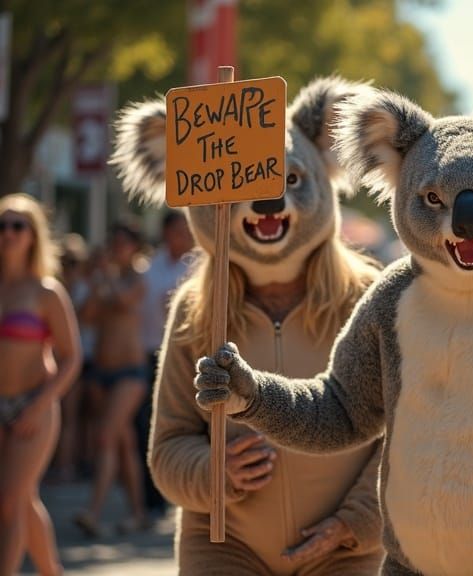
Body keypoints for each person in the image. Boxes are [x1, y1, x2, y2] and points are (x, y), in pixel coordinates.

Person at [114, 77, 388, 574]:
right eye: (245, 186)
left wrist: (359, 522)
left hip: (347, 553)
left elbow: (407, 435)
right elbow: (169, 446)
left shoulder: (370, 299)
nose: (267, 200)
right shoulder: (196, 309)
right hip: (223, 545)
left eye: (289, 179)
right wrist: (212, 472)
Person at [0, 194, 82, 576]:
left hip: (36, 405)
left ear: (33, 235)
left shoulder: (46, 292)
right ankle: (52, 571)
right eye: (3, 225)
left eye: (18, 226)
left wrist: (38, 404)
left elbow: (71, 357)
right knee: (20, 499)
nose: (8, 233)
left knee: (9, 501)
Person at [74, 222, 150, 536]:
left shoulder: (138, 277)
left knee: (105, 436)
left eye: (123, 242)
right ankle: (138, 513)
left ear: (134, 246)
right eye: (113, 241)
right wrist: (96, 283)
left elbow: (124, 301)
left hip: (130, 372)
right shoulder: (102, 281)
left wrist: (103, 277)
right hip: (103, 373)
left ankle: (93, 512)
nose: (117, 247)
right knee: (123, 444)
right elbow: (85, 317)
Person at [136, 210, 194, 515]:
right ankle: (153, 496)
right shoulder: (148, 267)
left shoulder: (200, 265)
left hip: (188, 354)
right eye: (177, 230)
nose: (182, 235)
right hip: (152, 353)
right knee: (150, 423)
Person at [53, 233, 91, 483]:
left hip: (75, 360)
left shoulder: (82, 290)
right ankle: (64, 466)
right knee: (66, 416)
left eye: (72, 262)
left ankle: (66, 467)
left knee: (70, 416)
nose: (69, 268)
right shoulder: (56, 288)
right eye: (66, 262)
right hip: (62, 360)